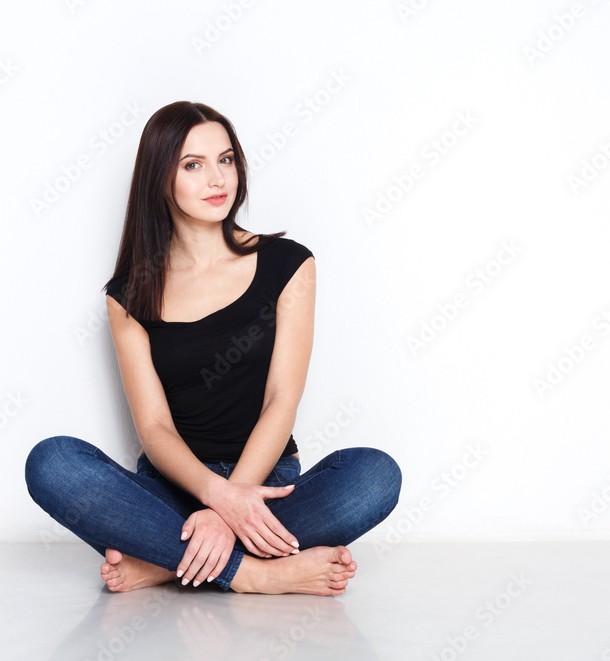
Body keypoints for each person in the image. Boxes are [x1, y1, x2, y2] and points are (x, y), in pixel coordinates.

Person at [24, 101, 401, 596]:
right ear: (160, 179)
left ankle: (164, 560)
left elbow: (280, 400)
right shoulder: (129, 296)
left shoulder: (288, 264)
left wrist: (235, 503)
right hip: (170, 492)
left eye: (226, 159)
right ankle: (254, 573)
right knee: (51, 462)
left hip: (269, 484)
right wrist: (216, 497)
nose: (217, 178)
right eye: (193, 165)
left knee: (375, 474)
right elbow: (154, 426)